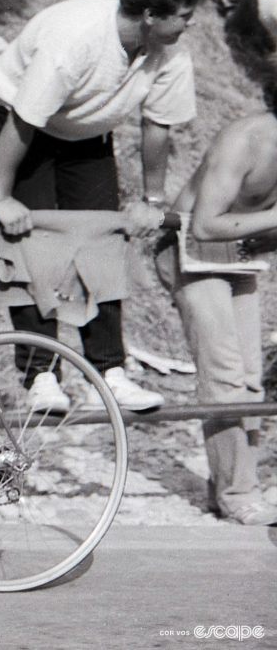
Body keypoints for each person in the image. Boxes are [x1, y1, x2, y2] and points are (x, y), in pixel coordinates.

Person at [0, 0, 209, 414]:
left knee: (103, 239)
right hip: (20, 123)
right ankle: (40, 374)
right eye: (185, 15)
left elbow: (157, 127)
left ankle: (108, 370)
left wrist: (152, 198)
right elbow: (23, 123)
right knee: (35, 240)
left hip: (86, 132)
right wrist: (0, 197)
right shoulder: (76, 39)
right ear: (151, 14)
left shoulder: (170, 54)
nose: (190, 24)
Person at [153, 83, 277, 526]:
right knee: (224, 374)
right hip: (189, 250)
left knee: (249, 380)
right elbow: (205, 225)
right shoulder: (247, 138)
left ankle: (234, 485)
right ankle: (236, 493)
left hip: (239, 255)